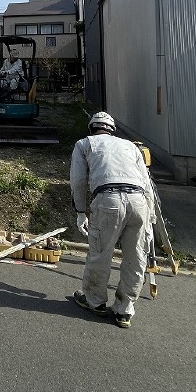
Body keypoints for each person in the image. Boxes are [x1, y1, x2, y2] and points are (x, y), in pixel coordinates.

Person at [69, 110, 154, 329]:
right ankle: (124, 309)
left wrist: (80, 212)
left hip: (108, 200)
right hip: (139, 201)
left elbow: (78, 181)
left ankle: (94, 301)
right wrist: (150, 216)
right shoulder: (131, 146)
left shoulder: (84, 144)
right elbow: (147, 183)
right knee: (136, 257)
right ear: (112, 130)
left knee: (101, 252)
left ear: (92, 128)